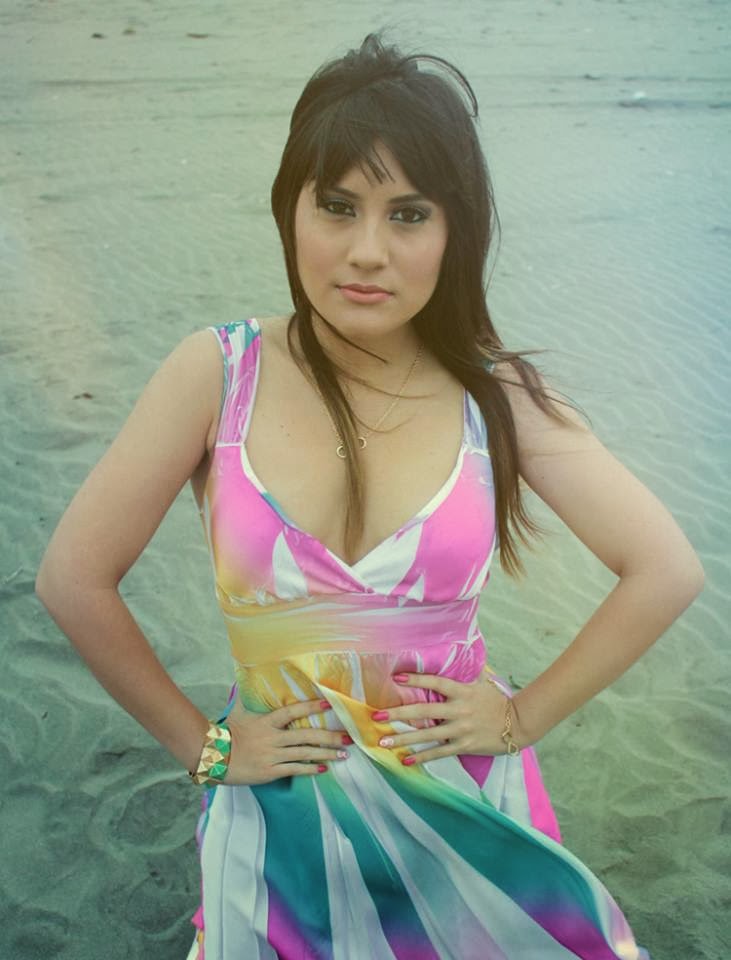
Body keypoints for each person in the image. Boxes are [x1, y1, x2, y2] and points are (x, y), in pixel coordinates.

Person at [36, 33, 704, 960]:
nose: (366, 253)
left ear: (454, 230)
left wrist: (522, 717)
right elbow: (73, 579)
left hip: (463, 807)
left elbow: (663, 569)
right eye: (337, 206)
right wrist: (205, 746)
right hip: (282, 817)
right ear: (291, 207)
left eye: (409, 214)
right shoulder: (217, 373)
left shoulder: (493, 395)